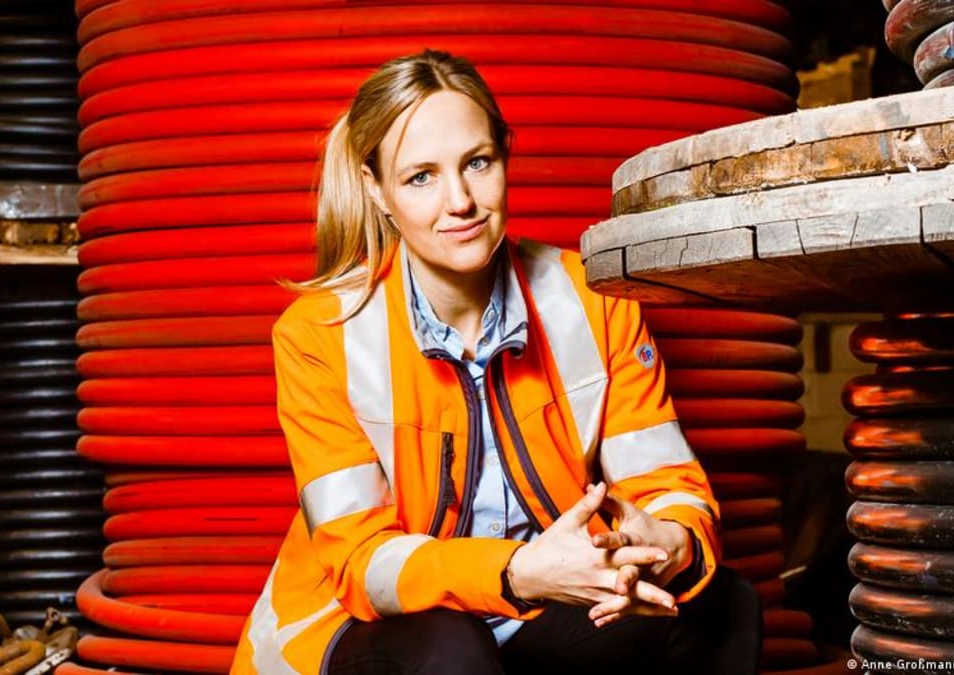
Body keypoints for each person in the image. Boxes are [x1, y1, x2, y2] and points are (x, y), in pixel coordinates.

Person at [231, 49, 761, 675]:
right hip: (372, 625)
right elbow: (361, 564)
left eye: (477, 163)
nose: (459, 201)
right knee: (453, 651)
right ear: (376, 189)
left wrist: (670, 543)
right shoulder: (319, 336)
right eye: (420, 177)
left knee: (722, 602)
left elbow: (669, 487)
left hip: (539, 608)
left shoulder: (596, 303)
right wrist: (513, 573)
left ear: (505, 156)